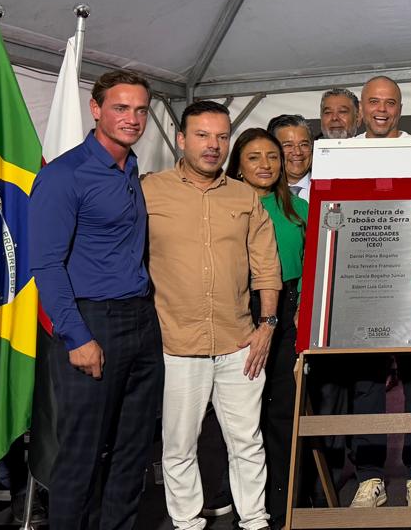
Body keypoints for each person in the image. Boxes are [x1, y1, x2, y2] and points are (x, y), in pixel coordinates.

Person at [29, 70, 162, 530]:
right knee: (81, 453)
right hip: (92, 321)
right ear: (96, 109)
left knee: (133, 451)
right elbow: (45, 265)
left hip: (142, 322)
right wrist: (76, 335)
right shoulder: (65, 175)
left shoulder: (130, 170)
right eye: (121, 108)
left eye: (141, 110)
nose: (132, 118)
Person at [143, 101, 282, 530]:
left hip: (241, 342)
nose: (213, 145)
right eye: (202, 135)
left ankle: (254, 520)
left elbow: (267, 267)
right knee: (179, 444)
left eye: (221, 136)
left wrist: (268, 325)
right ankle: (186, 522)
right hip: (176, 343)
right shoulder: (149, 191)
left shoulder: (245, 197)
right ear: (181, 140)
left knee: (246, 441)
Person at [347, 76, 411, 512]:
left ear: (401, 107)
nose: (382, 109)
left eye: (390, 102)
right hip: (360, 283)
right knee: (365, 384)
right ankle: (370, 477)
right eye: (374, 102)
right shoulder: (343, 154)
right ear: (362, 109)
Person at [225, 127, 311, 528]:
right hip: (241, 310)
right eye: (255, 157)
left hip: (289, 312)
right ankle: (245, 498)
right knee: (243, 414)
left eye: (273, 157)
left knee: (284, 409)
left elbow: (316, 266)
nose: (266, 164)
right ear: (238, 166)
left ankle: (286, 498)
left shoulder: (299, 208)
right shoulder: (227, 206)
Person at [268, 114, 313, 199]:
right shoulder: (263, 192)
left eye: (303, 145)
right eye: (288, 145)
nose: (298, 152)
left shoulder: (329, 187)